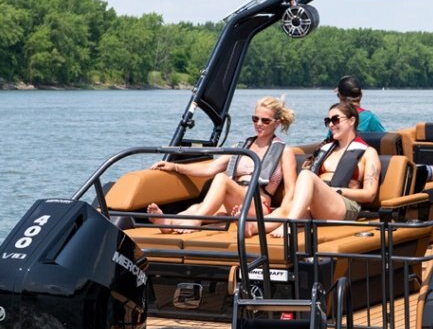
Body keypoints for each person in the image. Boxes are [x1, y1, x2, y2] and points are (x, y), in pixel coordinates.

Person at [147, 96, 298, 233]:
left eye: (265, 121)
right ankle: (168, 223)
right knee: (196, 207)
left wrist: (284, 219)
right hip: (233, 202)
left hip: (257, 205)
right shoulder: (241, 146)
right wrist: (174, 167)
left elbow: (291, 190)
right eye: (255, 119)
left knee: (221, 179)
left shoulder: (284, 151)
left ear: (277, 123)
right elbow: (209, 168)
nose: (258, 124)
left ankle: (196, 221)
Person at [262, 102, 381, 238]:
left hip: (344, 206)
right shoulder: (325, 150)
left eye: (335, 120)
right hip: (318, 205)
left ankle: (290, 224)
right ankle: (250, 227)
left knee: (306, 175)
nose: (331, 125)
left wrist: (337, 191)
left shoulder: (368, 153)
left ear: (351, 121)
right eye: (328, 121)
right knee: (285, 210)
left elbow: (370, 194)